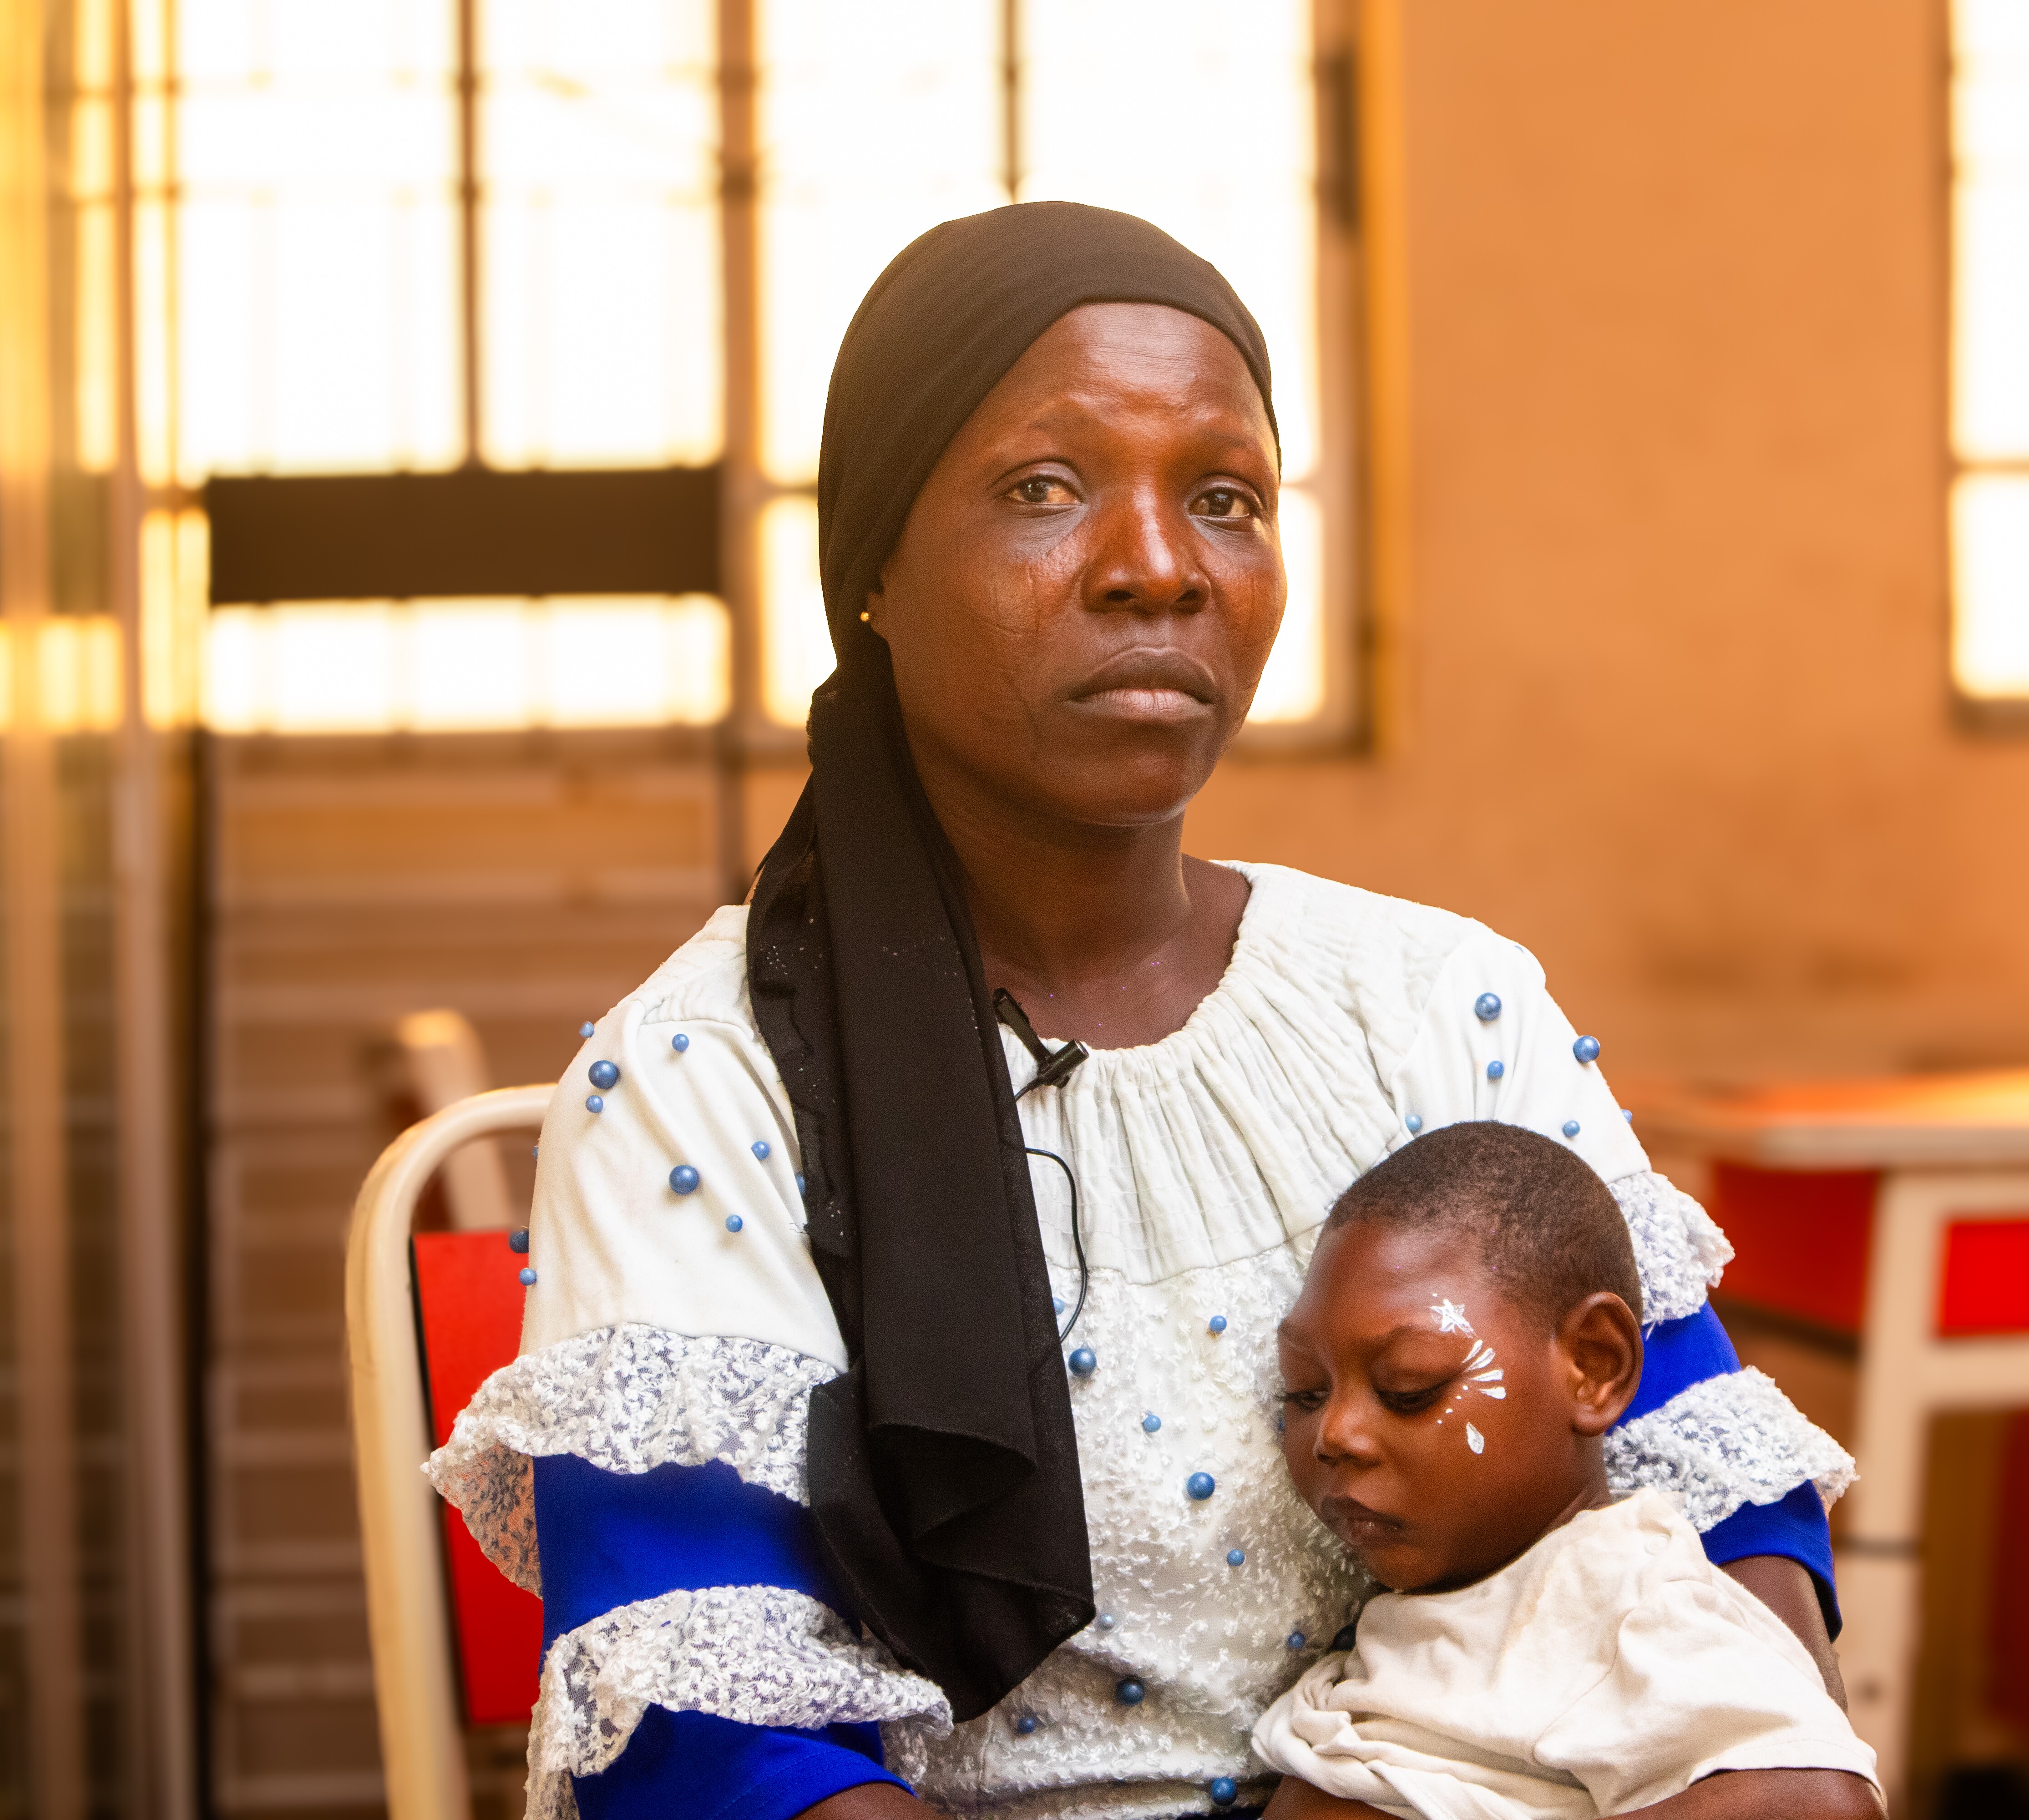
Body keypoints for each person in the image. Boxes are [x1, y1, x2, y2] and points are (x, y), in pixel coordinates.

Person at [426, 202, 1856, 1820]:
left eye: (1227, 499)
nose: (1159, 567)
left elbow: (1717, 1520)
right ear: (876, 562)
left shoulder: (1440, 1007)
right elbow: (704, 1745)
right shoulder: (706, 1083)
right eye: (1047, 489)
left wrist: (1750, 1754)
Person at [1253, 1124, 1880, 1820]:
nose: (1335, 1434)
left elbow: (1826, 1800)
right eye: (1305, 1391)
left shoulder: (1626, 1611)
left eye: (1410, 1388)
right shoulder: (1474, 1600)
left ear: (1593, 1366)